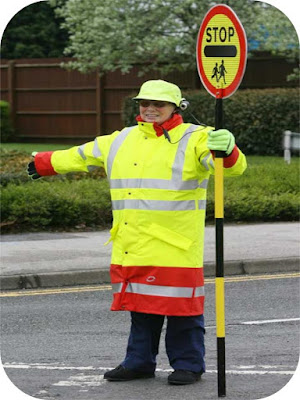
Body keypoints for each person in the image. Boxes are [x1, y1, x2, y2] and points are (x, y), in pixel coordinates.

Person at [27, 79, 247, 385]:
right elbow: (80, 155)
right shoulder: (120, 139)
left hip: (176, 247)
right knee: (142, 308)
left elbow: (227, 167)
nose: (151, 109)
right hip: (132, 242)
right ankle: (139, 362)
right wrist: (42, 163)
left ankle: (188, 365)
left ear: (176, 107)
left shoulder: (198, 137)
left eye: (159, 104)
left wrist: (228, 150)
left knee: (182, 309)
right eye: (145, 103)